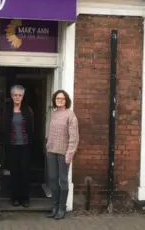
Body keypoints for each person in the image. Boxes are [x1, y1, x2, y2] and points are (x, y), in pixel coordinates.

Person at [46, 90, 79, 220]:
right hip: (51, 151)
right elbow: (51, 133)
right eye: (58, 98)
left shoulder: (70, 115)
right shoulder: (53, 114)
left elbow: (74, 137)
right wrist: (48, 146)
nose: (60, 100)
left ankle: (61, 208)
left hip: (63, 153)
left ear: (66, 100)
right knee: (53, 179)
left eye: (62, 98)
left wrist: (69, 154)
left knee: (63, 180)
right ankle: (54, 206)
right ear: (54, 100)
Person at [2, 85, 34, 207]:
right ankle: (15, 198)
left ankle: (25, 199)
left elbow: (31, 129)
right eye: (15, 95)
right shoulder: (7, 110)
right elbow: (4, 127)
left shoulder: (28, 110)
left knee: (25, 172)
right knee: (14, 172)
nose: (17, 97)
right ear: (11, 96)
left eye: (19, 95)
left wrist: (30, 143)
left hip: (25, 145)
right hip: (12, 145)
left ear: (23, 97)